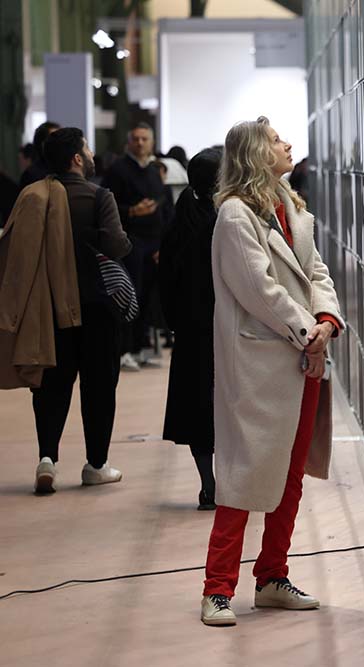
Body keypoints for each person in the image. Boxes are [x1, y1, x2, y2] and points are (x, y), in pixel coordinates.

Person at [199, 116, 344, 626]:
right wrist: (309, 330)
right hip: (263, 362)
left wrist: (326, 320)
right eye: (277, 141)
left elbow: (317, 272)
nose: (286, 145)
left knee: (290, 475)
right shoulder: (235, 216)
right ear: (255, 154)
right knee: (242, 474)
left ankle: (272, 577)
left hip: (302, 356)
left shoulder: (292, 208)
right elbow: (259, 291)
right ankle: (216, 589)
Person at [27, 128, 132, 492]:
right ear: (76, 158)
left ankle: (47, 457)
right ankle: (96, 464)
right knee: (99, 384)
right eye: (86, 149)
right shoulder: (98, 196)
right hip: (96, 305)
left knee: (52, 385)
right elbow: (118, 245)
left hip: (50, 305)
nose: (90, 154)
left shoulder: (33, 196)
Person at [159, 148, 223, 511]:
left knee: (199, 412)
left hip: (190, 332)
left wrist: (176, 324)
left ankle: (208, 486)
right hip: (222, 328)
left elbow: (165, 283)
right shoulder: (224, 222)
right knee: (226, 408)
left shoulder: (179, 222)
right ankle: (227, 484)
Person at [103, 122, 173, 372]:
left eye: (145, 139)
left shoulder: (154, 172)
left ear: (151, 142)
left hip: (153, 244)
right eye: (136, 139)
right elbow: (107, 207)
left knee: (148, 298)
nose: (140, 143)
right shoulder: (118, 170)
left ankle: (141, 347)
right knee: (130, 296)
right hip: (130, 243)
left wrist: (163, 244)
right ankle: (124, 349)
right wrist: (132, 211)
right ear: (129, 142)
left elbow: (164, 209)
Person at [19, 121, 61, 191]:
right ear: (43, 144)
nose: (61, 142)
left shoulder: (66, 168)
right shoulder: (31, 175)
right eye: (56, 139)